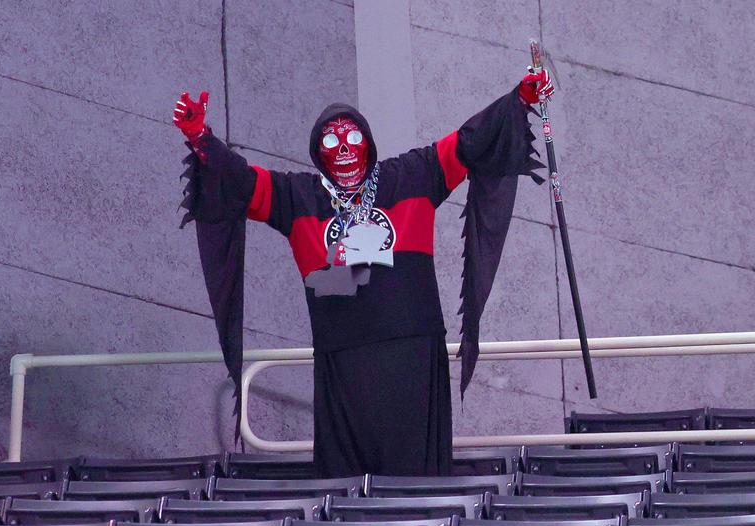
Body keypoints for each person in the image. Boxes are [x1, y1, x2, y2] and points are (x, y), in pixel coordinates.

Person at [174, 68, 554, 476]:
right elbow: (241, 181)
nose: (343, 148)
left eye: (352, 138)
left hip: (413, 356)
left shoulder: (412, 175)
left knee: (416, 478)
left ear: (368, 144)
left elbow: (468, 142)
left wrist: (519, 98)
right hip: (343, 360)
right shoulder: (297, 196)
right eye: (331, 141)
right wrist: (201, 137)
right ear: (318, 151)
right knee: (348, 480)